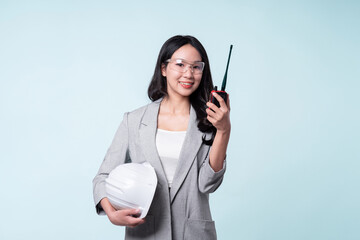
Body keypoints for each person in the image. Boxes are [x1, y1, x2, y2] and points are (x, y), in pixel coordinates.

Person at [93, 35, 231, 240]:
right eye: (180, 64)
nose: (188, 74)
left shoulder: (209, 122)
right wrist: (112, 213)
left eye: (196, 67)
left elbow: (207, 184)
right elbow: (102, 178)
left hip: (193, 234)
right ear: (164, 69)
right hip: (146, 232)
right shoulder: (134, 120)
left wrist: (223, 131)